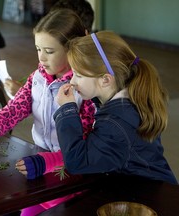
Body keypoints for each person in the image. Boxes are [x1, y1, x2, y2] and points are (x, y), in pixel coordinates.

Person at [0, 8, 95, 215]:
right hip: (39, 166)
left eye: (49, 51)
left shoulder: (86, 88)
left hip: (71, 175)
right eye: (38, 49)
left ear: (72, 49)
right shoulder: (37, 78)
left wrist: (48, 161)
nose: (41, 58)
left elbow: (86, 146)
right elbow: (12, 111)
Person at [52, 31, 177, 185]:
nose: (72, 81)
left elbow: (77, 162)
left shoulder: (115, 123)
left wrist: (66, 109)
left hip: (151, 200)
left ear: (105, 80)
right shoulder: (129, 99)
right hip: (142, 191)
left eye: (78, 74)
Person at [4, 0, 94, 97]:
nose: (41, 58)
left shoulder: (89, 83)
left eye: (49, 51)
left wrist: (25, 95)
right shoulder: (43, 72)